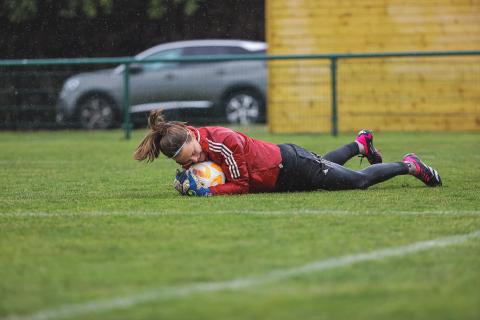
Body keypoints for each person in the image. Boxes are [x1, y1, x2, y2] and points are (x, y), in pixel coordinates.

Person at [133, 109, 442, 196]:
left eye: (194, 157)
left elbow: (240, 185)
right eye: (188, 164)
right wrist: (191, 178)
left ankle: (410, 164)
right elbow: (221, 173)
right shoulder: (197, 145)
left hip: (291, 165)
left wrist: (207, 191)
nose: (197, 162)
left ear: (190, 137)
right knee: (325, 167)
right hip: (283, 174)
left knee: (357, 181)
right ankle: (360, 144)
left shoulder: (221, 141)